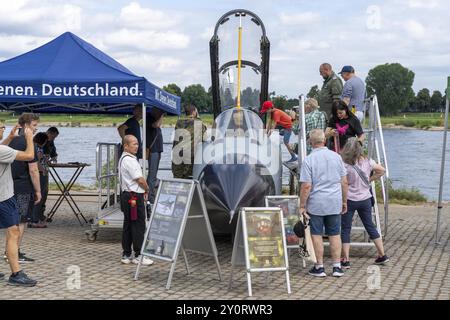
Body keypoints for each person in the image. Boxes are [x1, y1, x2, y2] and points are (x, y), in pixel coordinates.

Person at [299, 129, 348, 278]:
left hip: (316, 203)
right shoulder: (337, 157)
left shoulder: (308, 160)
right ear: (324, 141)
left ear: (310, 143)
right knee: (335, 234)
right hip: (334, 201)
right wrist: (344, 201)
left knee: (316, 234)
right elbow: (344, 182)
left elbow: (306, 186)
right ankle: (336, 266)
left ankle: (319, 267)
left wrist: (302, 205)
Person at [340, 137, 389, 268]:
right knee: (370, 226)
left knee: (345, 229)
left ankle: (345, 259)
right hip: (365, 199)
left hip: (350, 199)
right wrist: (369, 179)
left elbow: (344, 182)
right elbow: (382, 170)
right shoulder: (368, 161)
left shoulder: (345, 163)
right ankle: (382, 254)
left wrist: (343, 201)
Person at [0, 123, 37, 286]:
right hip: (3, 198)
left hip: (3, 196)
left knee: (12, 231)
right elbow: (29, 156)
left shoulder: (1, 149)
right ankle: (16, 273)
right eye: (1, 127)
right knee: (14, 232)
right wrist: (30, 138)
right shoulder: (1, 151)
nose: (4, 129)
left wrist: (9, 138)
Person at [7, 113, 41, 264]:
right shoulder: (29, 144)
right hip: (23, 187)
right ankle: (15, 253)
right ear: (26, 126)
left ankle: (10, 250)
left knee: (11, 222)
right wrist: (38, 190)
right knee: (21, 222)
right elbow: (33, 170)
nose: (36, 128)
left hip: (8, 186)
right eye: (34, 125)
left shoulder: (10, 142)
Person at [118, 135, 153, 266]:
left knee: (128, 225)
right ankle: (139, 254)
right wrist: (147, 189)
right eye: (134, 144)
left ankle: (126, 253)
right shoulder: (130, 160)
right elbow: (139, 179)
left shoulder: (123, 158)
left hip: (126, 194)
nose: (137, 146)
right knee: (138, 226)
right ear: (126, 146)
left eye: (137, 144)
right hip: (134, 196)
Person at [172, 104, 207, 179]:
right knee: (188, 180)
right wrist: (198, 116)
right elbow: (205, 137)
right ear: (194, 112)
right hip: (189, 157)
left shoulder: (178, 123)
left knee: (177, 178)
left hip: (177, 155)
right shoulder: (198, 123)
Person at [30, 132, 49, 228]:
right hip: (40, 174)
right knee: (39, 196)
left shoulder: (33, 146)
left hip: (40, 173)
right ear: (43, 141)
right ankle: (35, 220)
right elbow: (36, 163)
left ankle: (33, 218)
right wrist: (44, 170)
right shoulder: (37, 148)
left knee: (36, 196)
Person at [146, 108, 164, 203]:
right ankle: (150, 198)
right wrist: (162, 116)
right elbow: (156, 125)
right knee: (152, 175)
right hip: (153, 151)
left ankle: (150, 195)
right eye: (159, 111)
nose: (160, 113)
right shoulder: (148, 118)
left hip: (157, 150)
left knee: (153, 174)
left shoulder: (152, 118)